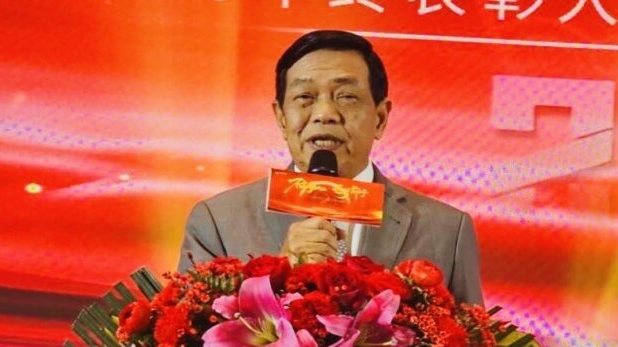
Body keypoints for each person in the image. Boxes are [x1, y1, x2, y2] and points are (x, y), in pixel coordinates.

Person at [179, 30, 483, 305]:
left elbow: (473, 345)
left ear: (380, 118)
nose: (325, 113)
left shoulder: (445, 230)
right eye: (305, 97)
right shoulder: (218, 221)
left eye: (347, 97)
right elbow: (190, 336)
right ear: (281, 118)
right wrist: (280, 271)